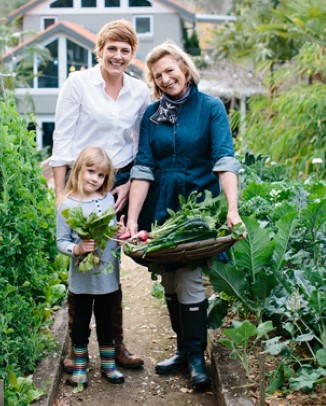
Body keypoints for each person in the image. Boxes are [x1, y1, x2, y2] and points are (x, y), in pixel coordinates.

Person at [126, 41, 244, 391]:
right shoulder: (150, 115)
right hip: (161, 208)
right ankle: (182, 350)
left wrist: (232, 209)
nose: (165, 79)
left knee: (190, 277)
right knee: (170, 277)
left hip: (197, 209)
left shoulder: (210, 108)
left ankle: (195, 356)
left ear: (184, 67)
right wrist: (133, 219)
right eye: (158, 75)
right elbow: (143, 167)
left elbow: (224, 160)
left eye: (170, 70)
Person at [49, 19, 150, 372]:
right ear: (101, 49)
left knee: (110, 260)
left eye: (125, 51)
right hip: (84, 178)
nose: (118, 56)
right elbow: (62, 139)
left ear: (132, 55)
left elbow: (141, 144)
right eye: (112, 49)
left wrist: (129, 181)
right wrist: (62, 193)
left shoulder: (139, 91)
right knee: (80, 258)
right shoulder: (78, 83)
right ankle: (76, 349)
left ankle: (115, 345)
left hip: (119, 178)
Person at [56, 147, 126, 388]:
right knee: (81, 322)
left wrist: (119, 232)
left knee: (106, 319)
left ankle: (108, 364)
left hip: (106, 275)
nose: (95, 179)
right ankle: (80, 365)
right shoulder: (67, 204)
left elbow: (111, 231)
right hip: (82, 277)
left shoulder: (107, 199)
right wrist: (77, 249)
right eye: (91, 171)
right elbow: (60, 241)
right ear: (79, 170)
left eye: (101, 176)